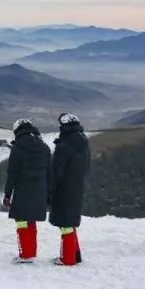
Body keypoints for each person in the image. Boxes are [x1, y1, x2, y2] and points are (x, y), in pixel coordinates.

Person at [3, 118, 51, 264]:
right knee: (32, 221)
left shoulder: (18, 148)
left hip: (23, 189)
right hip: (40, 189)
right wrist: (49, 192)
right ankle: (31, 251)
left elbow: (12, 173)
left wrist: (7, 194)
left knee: (22, 222)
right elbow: (50, 171)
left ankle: (26, 254)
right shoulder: (44, 147)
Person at [50, 113, 90, 266]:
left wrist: (51, 188)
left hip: (64, 187)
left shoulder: (65, 144)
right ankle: (75, 254)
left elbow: (57, 170)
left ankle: (67, 258)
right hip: (77, 186)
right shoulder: (84, 142)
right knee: (70, 221)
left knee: (65, 223)